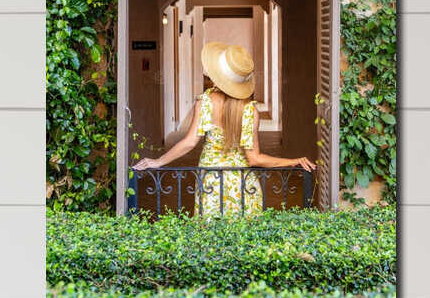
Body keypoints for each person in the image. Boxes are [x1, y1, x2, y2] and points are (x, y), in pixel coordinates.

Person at [131, 42, 313, 218]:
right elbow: (254, 158)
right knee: (245, 242)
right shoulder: (250, 110)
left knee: (212, 241)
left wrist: (159, 161)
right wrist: (291, 162)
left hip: (211, 182)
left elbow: (189, 142)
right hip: (243, 184)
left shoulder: (205, 103)